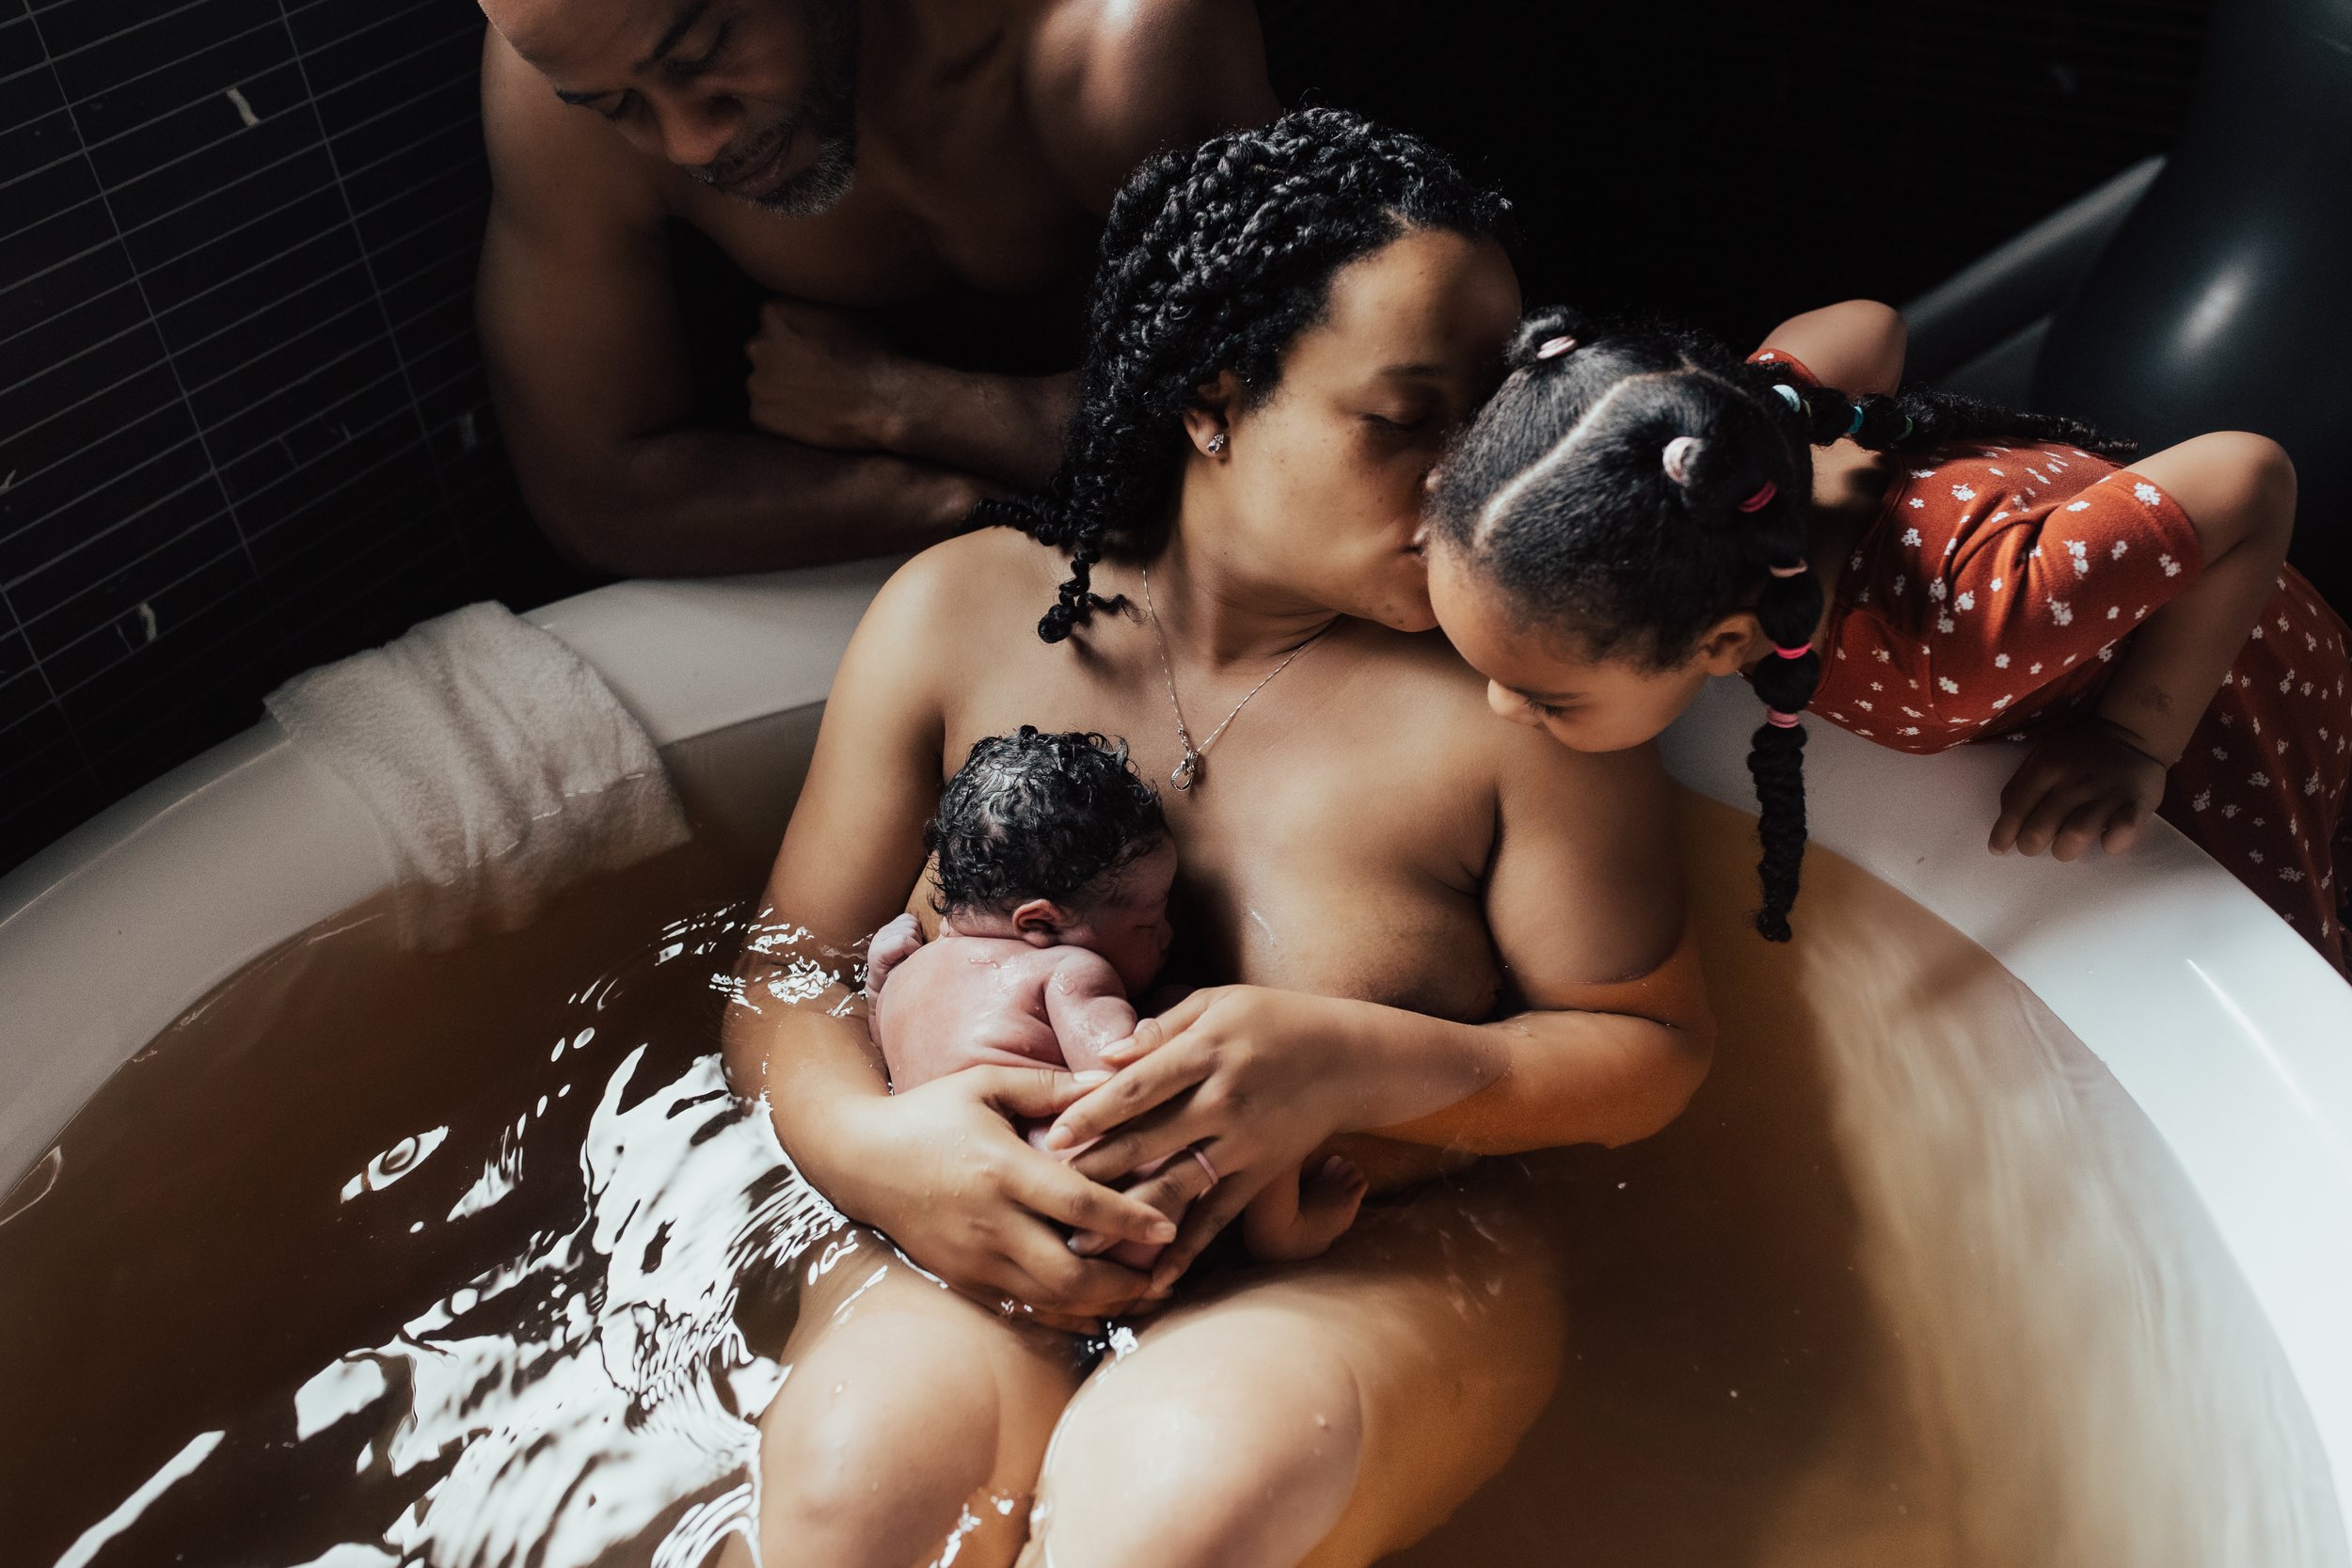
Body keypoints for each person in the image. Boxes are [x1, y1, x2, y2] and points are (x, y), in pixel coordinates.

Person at [720, 110, 1714, 1568]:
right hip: (997, 1237)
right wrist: (881, 1152)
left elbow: (1653, 1057)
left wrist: (1358, 1059)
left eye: (1490, 419)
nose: (1467, 481)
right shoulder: (959, 614)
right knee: (846, 1500)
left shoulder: (1521, 711)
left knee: (1175, 1511)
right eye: (1402, 418)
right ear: (1212, 393)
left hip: (1388, 1253)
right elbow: (783, 969)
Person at [1422, 299, 2351, 972]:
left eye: (1549, 697)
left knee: (2289, 927)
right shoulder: (1756, 456)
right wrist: (1772, 395)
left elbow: (2249, 476)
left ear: (1722, 646)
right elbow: (1868, 325)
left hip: (2226, 652)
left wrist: (2133, 737)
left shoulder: (1958, 641)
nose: (1503, 709)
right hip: (2094, 573)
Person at [475, 0, 1277, 576]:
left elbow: (1288, 422)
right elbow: (596, 494)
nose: (690, 140)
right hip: (941, 548)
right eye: (616, 107)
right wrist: (941, 503)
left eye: (704, 52)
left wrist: (909, 403)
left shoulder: (1116, 42)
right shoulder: (564, 64)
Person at [867, 725, 1369, 1270]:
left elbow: (885, 1052)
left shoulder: (900, 974)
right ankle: (1283, 1232)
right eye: (1150, 921)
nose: (1169, 933)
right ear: (1039, 923)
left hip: (948, 1216)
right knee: (1256, 1075)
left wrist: (876, 983)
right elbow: (1129, 1082)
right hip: (1093, 1227)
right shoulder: (1069, 972)